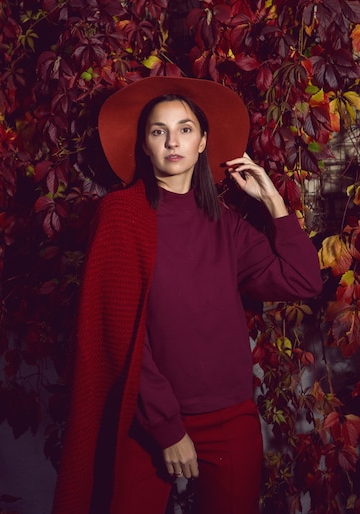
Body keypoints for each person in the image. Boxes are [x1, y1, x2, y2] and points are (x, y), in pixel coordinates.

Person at [52, 76, 322, 514]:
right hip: (148, 420)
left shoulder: (227, 224)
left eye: (185, 129)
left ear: (202, 142)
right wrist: (167, 428)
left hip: (230, 416)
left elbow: (303, 280)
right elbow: (117, 335)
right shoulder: (121, 215)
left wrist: (273, 200)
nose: (172, 141)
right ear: (143, 144)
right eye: (159, 131)